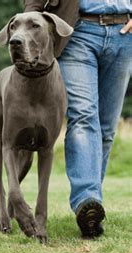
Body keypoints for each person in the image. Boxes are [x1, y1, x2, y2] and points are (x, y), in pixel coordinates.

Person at [24, 0, 132, 238]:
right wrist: (28, 27)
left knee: (106, 129)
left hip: (124, 33)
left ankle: (92, 211)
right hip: (77, 31)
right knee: (83, 116)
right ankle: (87, 199)